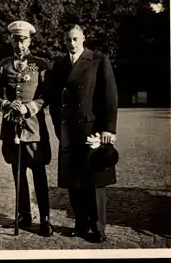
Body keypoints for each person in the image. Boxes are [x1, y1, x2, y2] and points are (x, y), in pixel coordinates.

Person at [46, 24, 118, 243]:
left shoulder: (98, 60)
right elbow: (53, 99)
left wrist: (108, 129)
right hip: (69, 131)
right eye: (68, 40)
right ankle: (80, 222)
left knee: (95, 180)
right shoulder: (59, 64)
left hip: (92, 130)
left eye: (75, 39)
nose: (72, 43)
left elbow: (110, 96)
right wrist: (60, 128)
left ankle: (98, 227)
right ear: (63, 41)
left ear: (83, 38)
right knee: (74, 180)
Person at [0, 20, 54, 237]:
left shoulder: (40, 65)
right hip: (11, 128)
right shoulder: (4, 65)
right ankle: (24, 214)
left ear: (30, 40)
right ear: (11, 40)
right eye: (16, 39)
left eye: (24, 39)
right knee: (18, 174)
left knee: (38, 172)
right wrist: (7, 104)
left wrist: (30, 107)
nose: (20, 44)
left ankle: (45, 218)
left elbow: (47, 95)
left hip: (33, 127)